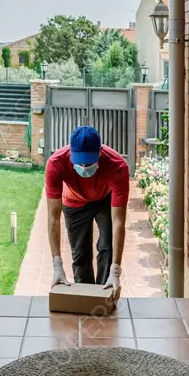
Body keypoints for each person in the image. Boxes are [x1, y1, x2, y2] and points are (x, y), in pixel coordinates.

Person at [45, 126, 129, 298]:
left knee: (107, 248)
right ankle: (85, 299)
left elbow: (119, 222)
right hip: (74, 202)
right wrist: (57, 265)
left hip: (106, 200)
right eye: (80, 161)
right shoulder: (56, 163)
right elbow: (53, 217)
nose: (84, 166)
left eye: (89, 161)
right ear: (71, 151)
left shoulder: (117, 166)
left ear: (100, 152)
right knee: (80, 254)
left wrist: (116, 272)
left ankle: (105, 297)